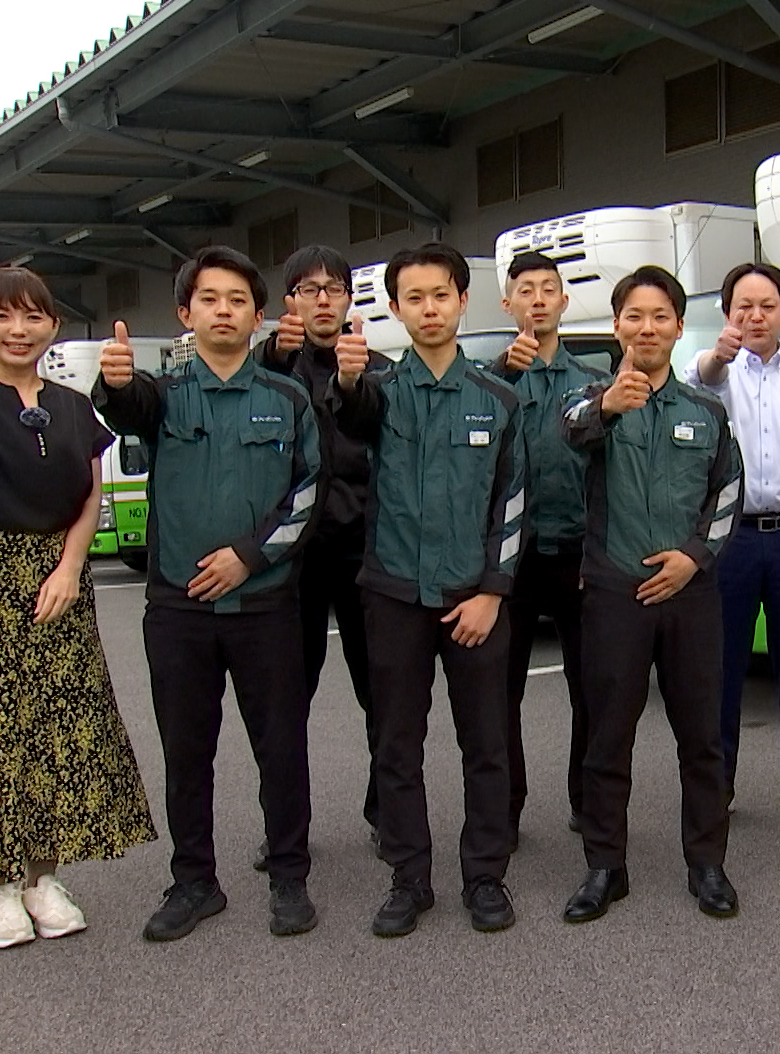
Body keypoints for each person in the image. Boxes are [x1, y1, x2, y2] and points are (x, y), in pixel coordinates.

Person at [0, 266, 156, 950]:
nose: (17, 330)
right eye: (1, 316)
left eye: (32, 316)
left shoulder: (74, 407)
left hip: (58, 574)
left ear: (52, 325)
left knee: (59, 725)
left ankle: (42, 877)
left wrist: (71, 567)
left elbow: (90, 495)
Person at [94, 245, 324, 941]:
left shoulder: (288, 398)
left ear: (259, 317)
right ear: (185, 314)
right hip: (178, 608)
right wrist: (113, 383)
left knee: (281, 748)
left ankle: (289, 876)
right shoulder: (161, 396)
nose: (224, 311)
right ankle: (193, 881)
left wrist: (248, 557)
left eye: (237, 301)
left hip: (266, 608)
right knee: (187, 753)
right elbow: (124, 407)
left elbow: (309, 492)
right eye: (209, 299)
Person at [335, 243, 526, 936]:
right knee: (396, 744)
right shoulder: (377, 392)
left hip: (474, 599)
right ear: (395, 309)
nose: (429, 309)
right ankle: (409, 879)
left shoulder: (497, 398)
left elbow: (513, 501)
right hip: (393, 596)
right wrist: (347, 381)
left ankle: (485, 877)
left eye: (440, 295)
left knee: (487, 743)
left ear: (462, 300)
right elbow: (350, 419)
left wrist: (492, 592)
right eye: (413, 298)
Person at [560, 265, 743, 923]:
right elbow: (571, 430)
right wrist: (610, 404)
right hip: (616, 592)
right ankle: (605, 867)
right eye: (634, 316)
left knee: (701, 738)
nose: (647, 328)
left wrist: (694, 558)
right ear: (617, 327)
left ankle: (708, 865)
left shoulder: (706, 410)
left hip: (691, 595)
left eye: (660, 316)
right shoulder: (593, 399)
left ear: (678, 326)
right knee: (608, 736)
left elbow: (729, 491)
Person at [251, 244, 391, 853]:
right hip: (293, 561)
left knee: (382, 695)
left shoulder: (380, 369)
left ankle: (387, 813)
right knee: (285, 703)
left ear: (350, 298)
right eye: (310, 290)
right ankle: (284, 830)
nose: (324, 300)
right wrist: (271, 356)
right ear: (291, 303)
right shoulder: (271, 370)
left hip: (365, 554)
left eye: (334, 289)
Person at [693, 261, 780, 827]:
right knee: (722, 667)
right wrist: (717, 357)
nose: (755, 316)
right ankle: (718, 784)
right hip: (732, 539)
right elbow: (700, 375)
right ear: (727, 314)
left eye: (767, 306)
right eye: (743, 307)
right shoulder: (713, 373)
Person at [487, 251, 600, 839]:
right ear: (507, 304)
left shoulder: (595, 381)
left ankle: (587, 799)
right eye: (525, 290)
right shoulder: (489, 381)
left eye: (548, 289)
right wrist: (503, 373)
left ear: (563, 300)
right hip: (511, 560)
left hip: (579, 554)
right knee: (500, 691)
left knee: (590, 685)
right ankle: (506, 808)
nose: (537, 299)